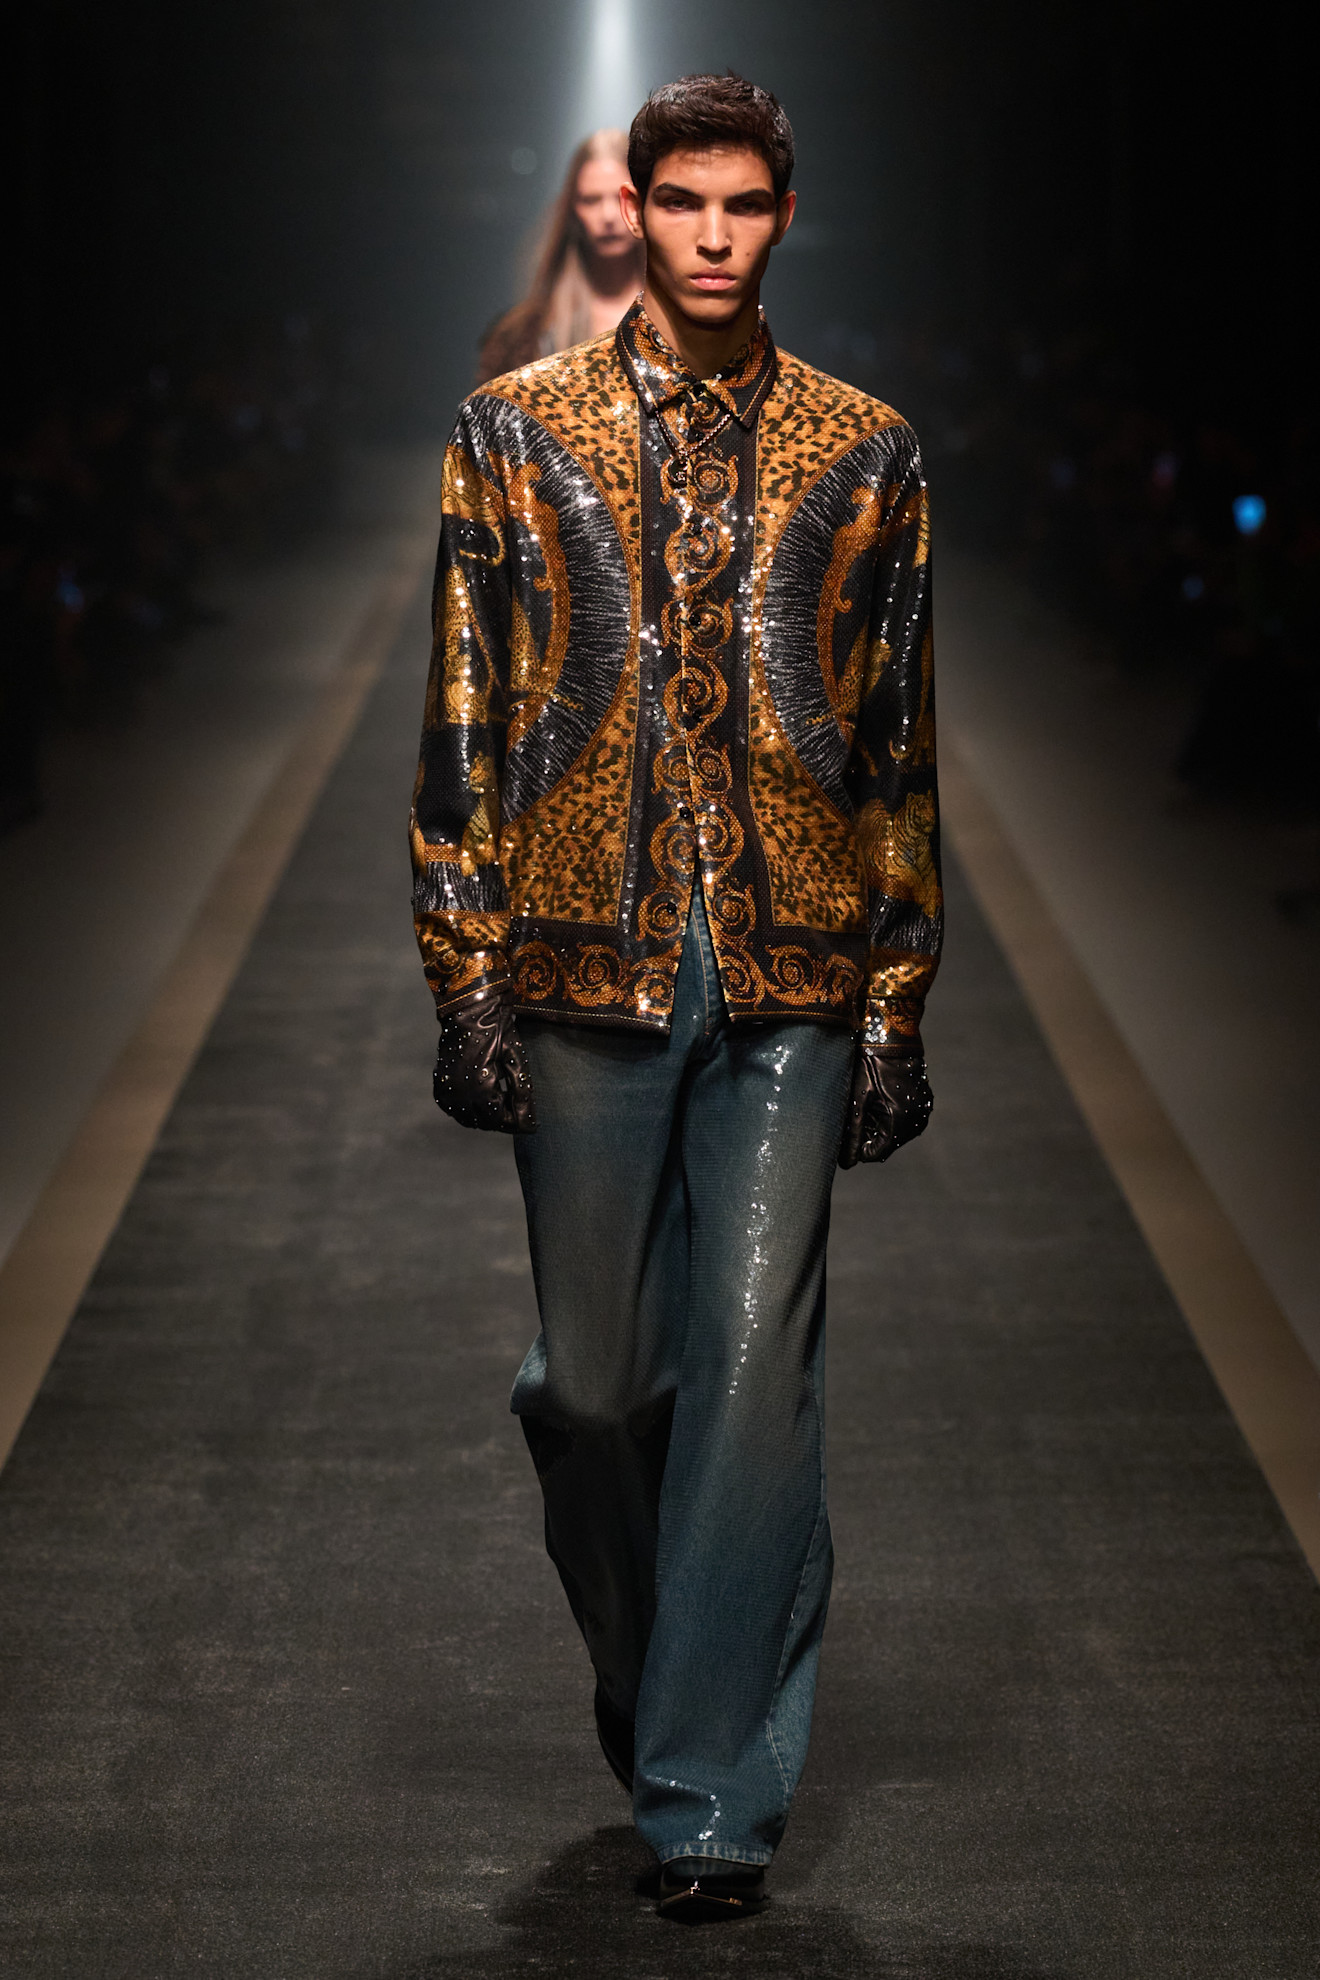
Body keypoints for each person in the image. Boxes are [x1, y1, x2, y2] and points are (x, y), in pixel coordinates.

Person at [410, 72, 939, 1923]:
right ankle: (661, 1687)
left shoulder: (870, 452)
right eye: (685, 200)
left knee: (755, 1381)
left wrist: (897, 998)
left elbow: (896, 748)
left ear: (785, 215)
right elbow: (463, 717)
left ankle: (710, 1797)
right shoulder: (513, 429)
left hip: (798, 970)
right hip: (580, 961)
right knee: (595, 1389)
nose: (714, 235)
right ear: (633, 207)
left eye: (746, 204)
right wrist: (464, 969)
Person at [476, 128, 645, 382]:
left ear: (643, 202)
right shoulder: (522, 336)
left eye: (621, 198)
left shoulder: (684, 318)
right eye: (591, 200)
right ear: (572, 209)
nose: (608, 216)